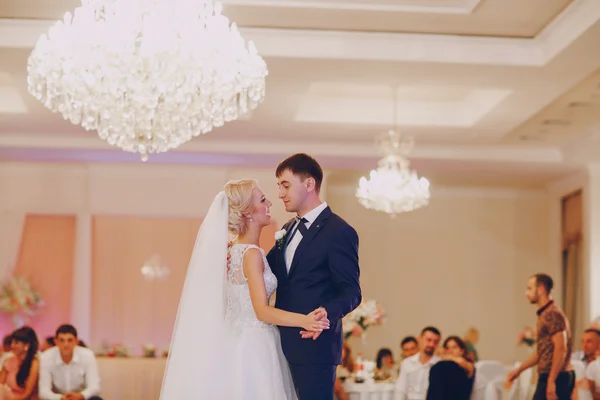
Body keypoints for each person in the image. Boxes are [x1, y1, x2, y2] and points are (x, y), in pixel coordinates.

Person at [160, 178, 333, 399]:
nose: (270, 203)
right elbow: (261, 311)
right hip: (254, 344)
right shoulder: (251, 254)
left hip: (234, 339)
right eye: (262, 200)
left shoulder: (233, 251)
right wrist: (305, 320)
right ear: (248, 212)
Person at [268, 154, 362, 399]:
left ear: (309, 184)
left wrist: (326, 314)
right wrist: (238, 254)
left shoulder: (339, 231)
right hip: (278, 343)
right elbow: (266, 271)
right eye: (279, 186)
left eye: (285, 185)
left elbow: (352, 292)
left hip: (314, 347)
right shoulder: (287, 229)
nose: (279, 193)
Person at [507, 273, 574, 400]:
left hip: (556, 376)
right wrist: (519, 370)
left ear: (541, 289)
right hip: (553, 376)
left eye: (529, 288)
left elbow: (561, 348)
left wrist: (551, 381)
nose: (526, 293)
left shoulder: (552, 314)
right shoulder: (545, 314)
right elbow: (542, 352)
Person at [39, 324, 102, 400]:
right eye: (62, 340)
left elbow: (95, 387)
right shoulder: (46, 357)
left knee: (96, 399)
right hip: (59, 399)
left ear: (76, 341)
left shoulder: (87, 355)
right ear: (56, 342)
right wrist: (61, 398)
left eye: (70, 340)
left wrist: (80, 396)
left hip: (80, 398)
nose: (66, 344)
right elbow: (43, 391)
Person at [426, 336, 475, 400]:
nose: (450, 351)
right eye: (447, 348)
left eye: (454, 347)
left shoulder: (468, 366)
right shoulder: (439, 367)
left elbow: (462, 362)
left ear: (462, 351)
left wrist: (445, 356)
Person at [0, 326, 39, 400]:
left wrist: (9, 398)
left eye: (16, 343)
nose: (12, 345)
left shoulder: (34, 363)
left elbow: (27, 394)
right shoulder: (9, 361)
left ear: (27, 345)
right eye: (12, 342)